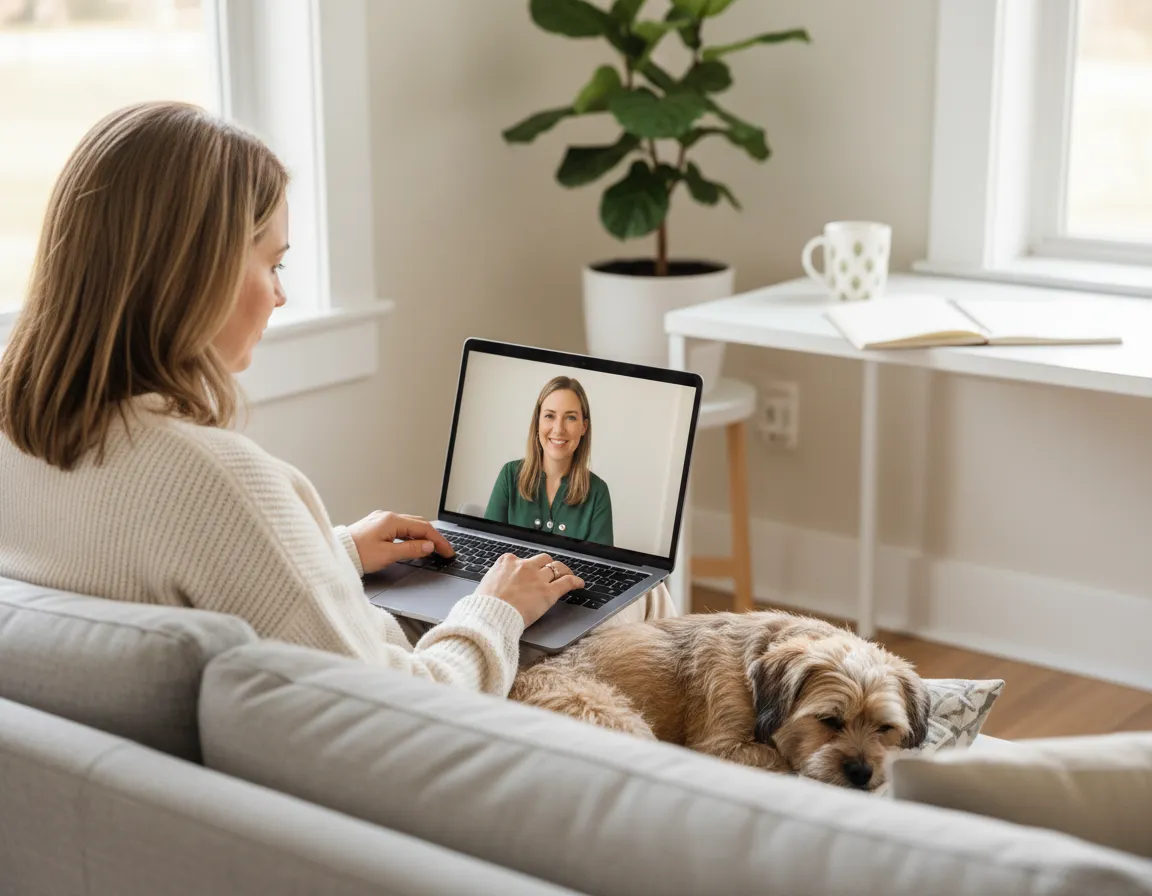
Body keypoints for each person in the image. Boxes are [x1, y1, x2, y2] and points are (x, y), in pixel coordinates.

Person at [0, 102, 672, 700]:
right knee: (646, 601)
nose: (280, 294)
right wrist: (496, 607)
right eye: (273, 264)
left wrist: (335, 549)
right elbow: (399, 716)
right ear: (192, 273)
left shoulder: (21, 436)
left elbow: (170, 563)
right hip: (434, 705)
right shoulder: (219, 481)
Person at [484, 376, 614, 547]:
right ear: (537, 422)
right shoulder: (510, 475)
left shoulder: (598, 492)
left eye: (571, 418)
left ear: (584, 427)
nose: (559, 429)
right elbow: (488, 547)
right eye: (549, 416)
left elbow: (598, 568)